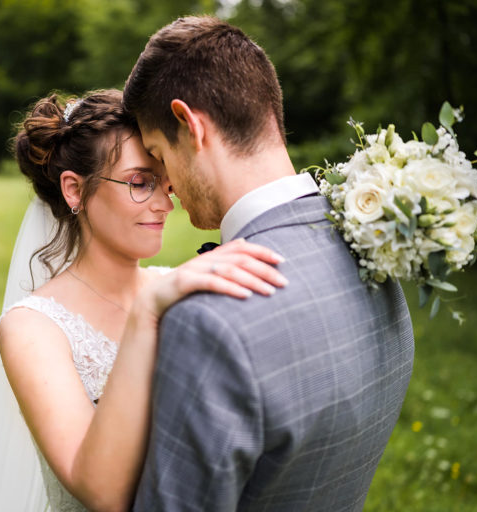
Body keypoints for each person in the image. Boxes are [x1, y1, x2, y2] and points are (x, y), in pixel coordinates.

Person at [122, 16, 415, 511]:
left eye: (158, 152)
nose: (166, 183)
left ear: (190, 126)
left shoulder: (209, 323)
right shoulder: (372, 249)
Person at [0, 89, 288, 512]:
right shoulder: (31, 328)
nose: (163, 203)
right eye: (139, 183)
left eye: (165, 180)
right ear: (75, 190)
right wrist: (147, 314)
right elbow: (100, 491)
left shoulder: (178, 283)